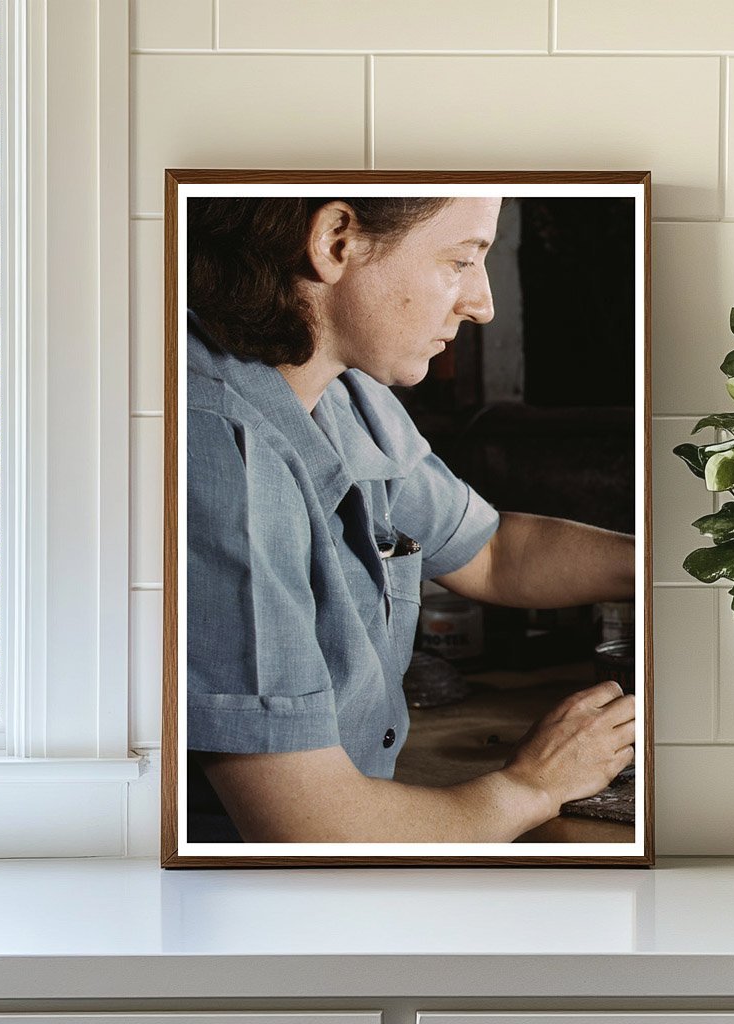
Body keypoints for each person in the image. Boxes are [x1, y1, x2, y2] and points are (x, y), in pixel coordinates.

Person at [186, 195, 635, 843]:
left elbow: (493, 553)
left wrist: (679, 568)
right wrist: (532, 786)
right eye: (459, 260)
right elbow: (314, 830)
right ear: (337, 239)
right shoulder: (222, 455)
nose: (482, 304)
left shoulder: (345, 392)